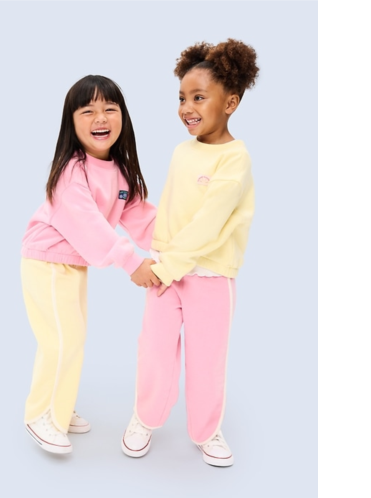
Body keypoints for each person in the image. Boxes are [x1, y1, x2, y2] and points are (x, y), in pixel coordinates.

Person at [121, 39, 260, 467]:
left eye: (199, 97)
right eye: (182, 98)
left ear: (230, 102)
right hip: (166, 270)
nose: (186, 108)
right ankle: (145, 417)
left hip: (210, 277)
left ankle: (207, 430)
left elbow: (207, 225)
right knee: (154, 350)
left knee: (206, 358)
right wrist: (152, 251)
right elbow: (170, 214)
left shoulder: (235, 160)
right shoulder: (183, 151)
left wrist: (166, 268)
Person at [21, 75, 160, 455]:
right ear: (72, 121)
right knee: (61, 339)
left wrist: (179, 241)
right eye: (88, 111)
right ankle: (41, 414)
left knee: (74, 337)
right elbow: (90, 227)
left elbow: (143, 219)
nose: (100, 118)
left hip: (72, 264)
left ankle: (60, 407)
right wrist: (132, 262)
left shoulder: (120, 171)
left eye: (109, 109)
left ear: (123, 117)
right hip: (46, 261)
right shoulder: (72, 171)